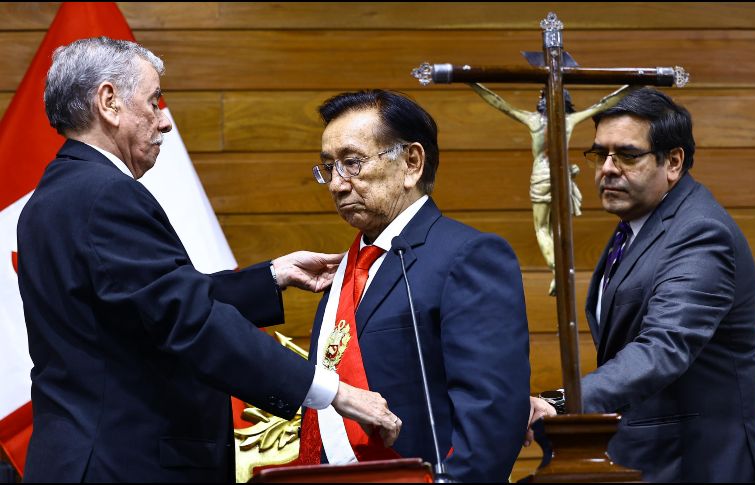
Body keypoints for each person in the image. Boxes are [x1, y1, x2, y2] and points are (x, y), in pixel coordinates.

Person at [17, 37, 400, 482]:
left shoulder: (58, 192)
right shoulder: (105, 195)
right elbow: (187, 319)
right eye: (154, 100)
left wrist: (272, 276)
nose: (164, 122)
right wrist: (334, 392)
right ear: (109, 102)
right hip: (122, 464)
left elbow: (144, 306)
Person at [297, 89, 531, 482]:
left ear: (411, 162)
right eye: (329, 167)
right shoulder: (348, 268)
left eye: (352, 163)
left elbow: (492, 413)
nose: (337, 184)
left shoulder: (468, 255)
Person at [578, 87, 755, 482]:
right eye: (600, 154)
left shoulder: (700, 232)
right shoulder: (636, 226)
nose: (608, 169)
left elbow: (663, 347)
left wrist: (566, 403)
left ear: (673, 162)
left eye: (628, 155)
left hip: (701, 464)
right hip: (654, 458)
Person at [469, 83, 632, 295]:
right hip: (561, 175)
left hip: (542, 175)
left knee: (542, 228)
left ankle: (558, 271)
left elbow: (500, 103)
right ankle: (561, 271)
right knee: (560, 228)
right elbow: (603, 104)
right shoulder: (568, 120)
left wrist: (473, 84)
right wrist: (632, 85)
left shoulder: (533, 120)